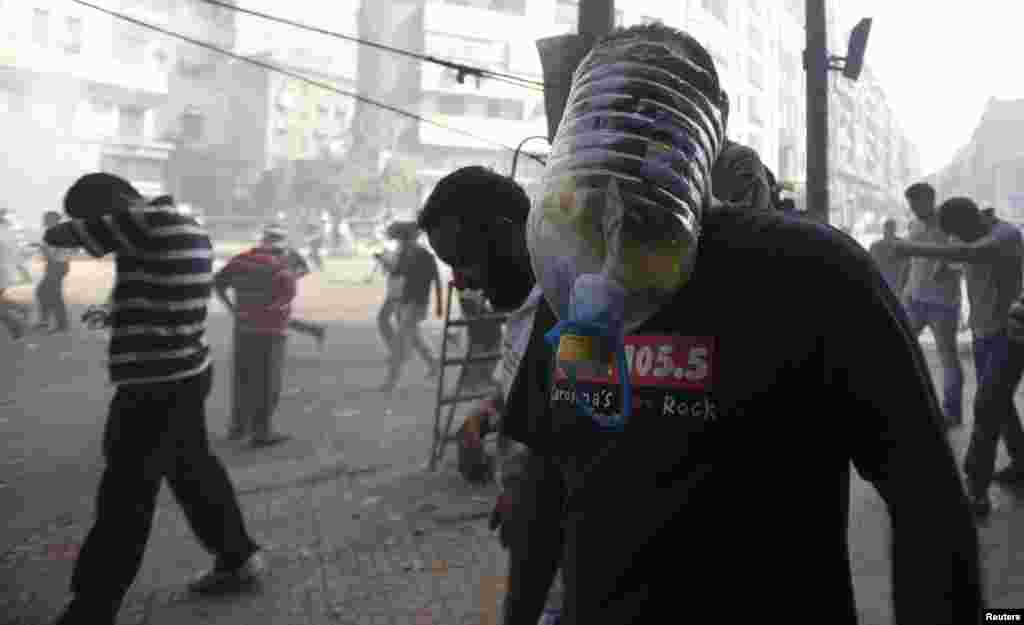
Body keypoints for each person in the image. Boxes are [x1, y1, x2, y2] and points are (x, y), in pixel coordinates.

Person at [508, 24, 981, 624]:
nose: (627, 127)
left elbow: (926, 498)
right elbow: (549, 470)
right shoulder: (569, 275)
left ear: (708, 127)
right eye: (608, 109)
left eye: (652, 104)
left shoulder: (815, 271)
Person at [48, 174, 266, 625]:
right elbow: (159, 287)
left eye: (94, 218)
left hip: (155, 384)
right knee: (193, 471)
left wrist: (72, 226)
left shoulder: (149, 220)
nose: (98, 232)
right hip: (185, 372)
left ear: (115, 204)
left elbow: (60, 236)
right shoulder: (175, 224)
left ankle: (92, 607)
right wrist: (120, 308)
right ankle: (238, 558)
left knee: (126, 493)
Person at [417, 165, 565, 625]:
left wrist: (526, 489)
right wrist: (482, 418)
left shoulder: (568, 316)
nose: (459, 283)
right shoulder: (522, 308)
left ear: (505, 235)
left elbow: (551, 491)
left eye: (464, 260)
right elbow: (516, 391)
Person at [881, 197, 1024, 517]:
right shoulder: (973, 235)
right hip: (983, 334)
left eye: (959, 233)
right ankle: (1022, 462)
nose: (957, 240)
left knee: (987, 406)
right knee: (1001, 406)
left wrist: (913, 249)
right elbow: (961, 258)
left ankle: (976, 489)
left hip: (1010, 336)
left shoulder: (1006, 235)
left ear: (972, 221)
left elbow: (971, 253)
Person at [214, 225, 298, 448]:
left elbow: (218, 283)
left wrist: (233, 308)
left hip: (243, 328)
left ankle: (237, 427)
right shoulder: (281, 267)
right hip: (271, 332)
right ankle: (261, 432)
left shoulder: (241, 260)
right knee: (267, 383)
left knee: (243, 378)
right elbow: (285, 299)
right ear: (280, 249)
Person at [900, 182, 965, 427]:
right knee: (900, 348)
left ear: (931, 199)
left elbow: (961, 259)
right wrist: (904, 290)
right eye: (911, 204)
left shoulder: (949, 224)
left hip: (942, 304)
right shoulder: (914, 224)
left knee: (948, 358)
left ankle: (952, 413)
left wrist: (946, 265)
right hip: (915, 300)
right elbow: (911, 261)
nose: (914, 209)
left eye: (917, 203)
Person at [378, 221, 442, 392]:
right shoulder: (407, 253)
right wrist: (386, 262)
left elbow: (434, 279)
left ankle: (391, 381)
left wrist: (438, 305)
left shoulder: (422, 255)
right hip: (406, 302)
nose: (400, 242)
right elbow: (398, 272)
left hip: (416, 303)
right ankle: (434, 363)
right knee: (413, 336)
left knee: (400, 341)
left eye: (401, 238)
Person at [34, 210, 73, 333]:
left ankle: (61, 324)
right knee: (44, 292)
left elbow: (51, 255)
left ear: (52, 221)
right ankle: (47, 321)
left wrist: (42, 248)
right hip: (59, 265)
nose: (43, 222)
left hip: (56, 266)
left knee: (52, 295)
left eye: (45, 220)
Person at [0, 212, 27, 340]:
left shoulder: (3, 233)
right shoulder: (7, 231)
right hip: (5, 272)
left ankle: (16, 326)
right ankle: (22, 309)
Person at [869, 217, 909, 295]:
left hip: (896, 283)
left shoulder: (901, 245)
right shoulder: (875, 246)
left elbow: (907, 266)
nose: (889, 231)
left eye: (891, 228)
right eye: (888, 228)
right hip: (889, 283)